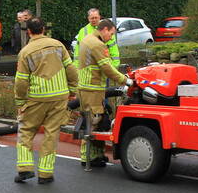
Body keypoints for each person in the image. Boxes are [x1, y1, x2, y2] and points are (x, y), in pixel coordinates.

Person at [14, 18, 78, 184]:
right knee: (51, 133)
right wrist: (72, 90)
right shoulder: (58, 45)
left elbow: (21, 81)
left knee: (26, 130)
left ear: (28, 31)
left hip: (37, 97)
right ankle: (46, 174)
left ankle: (25, 169)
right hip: (59, 96)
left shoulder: (25, 52)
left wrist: (20, 103)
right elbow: (71, 69)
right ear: (43, 29)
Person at [77, 19, 128, 168]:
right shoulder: (97, 44)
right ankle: (88, 157)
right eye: (111, 34)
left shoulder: (87, 39)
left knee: (99, 120)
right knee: (94, 121)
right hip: (92, 89)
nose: (111, 37)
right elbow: (106, 67)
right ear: (104, 29)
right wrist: (125, 80)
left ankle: (96, 155)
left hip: (88, 88)